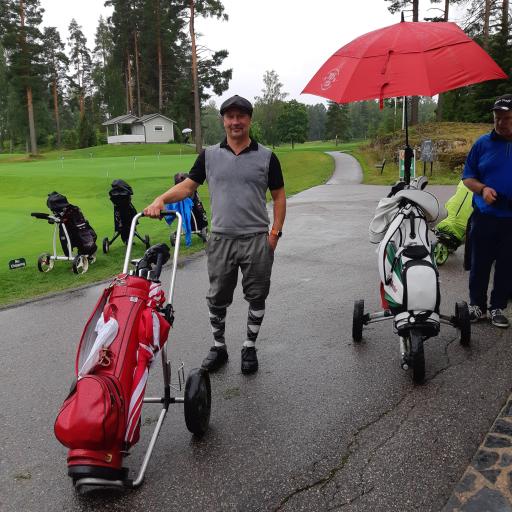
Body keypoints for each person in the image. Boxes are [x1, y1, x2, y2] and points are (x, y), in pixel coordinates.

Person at [144, 94, 286, 373]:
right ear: (223, 121)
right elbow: (188, 187)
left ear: (249, 120)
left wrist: (274, 234)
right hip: (221, 239)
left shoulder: (267, 157)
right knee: (217, 297)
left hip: (257, 239)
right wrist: (161, 199)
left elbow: (279, 196)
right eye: (230, 117)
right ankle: (219, 346)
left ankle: (249, 346)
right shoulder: (209, 155)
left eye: (241, 116)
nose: (235, 122)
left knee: (257, 295)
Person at [462, 94, 512, 328]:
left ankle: (497, 307)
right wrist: (482, 189)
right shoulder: (482, 144)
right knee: (479, 263)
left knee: (506, 264)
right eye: (498, 118)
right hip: (485, 216)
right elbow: (468, 177)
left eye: (508, 118)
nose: (502, 123)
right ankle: (477, 306)